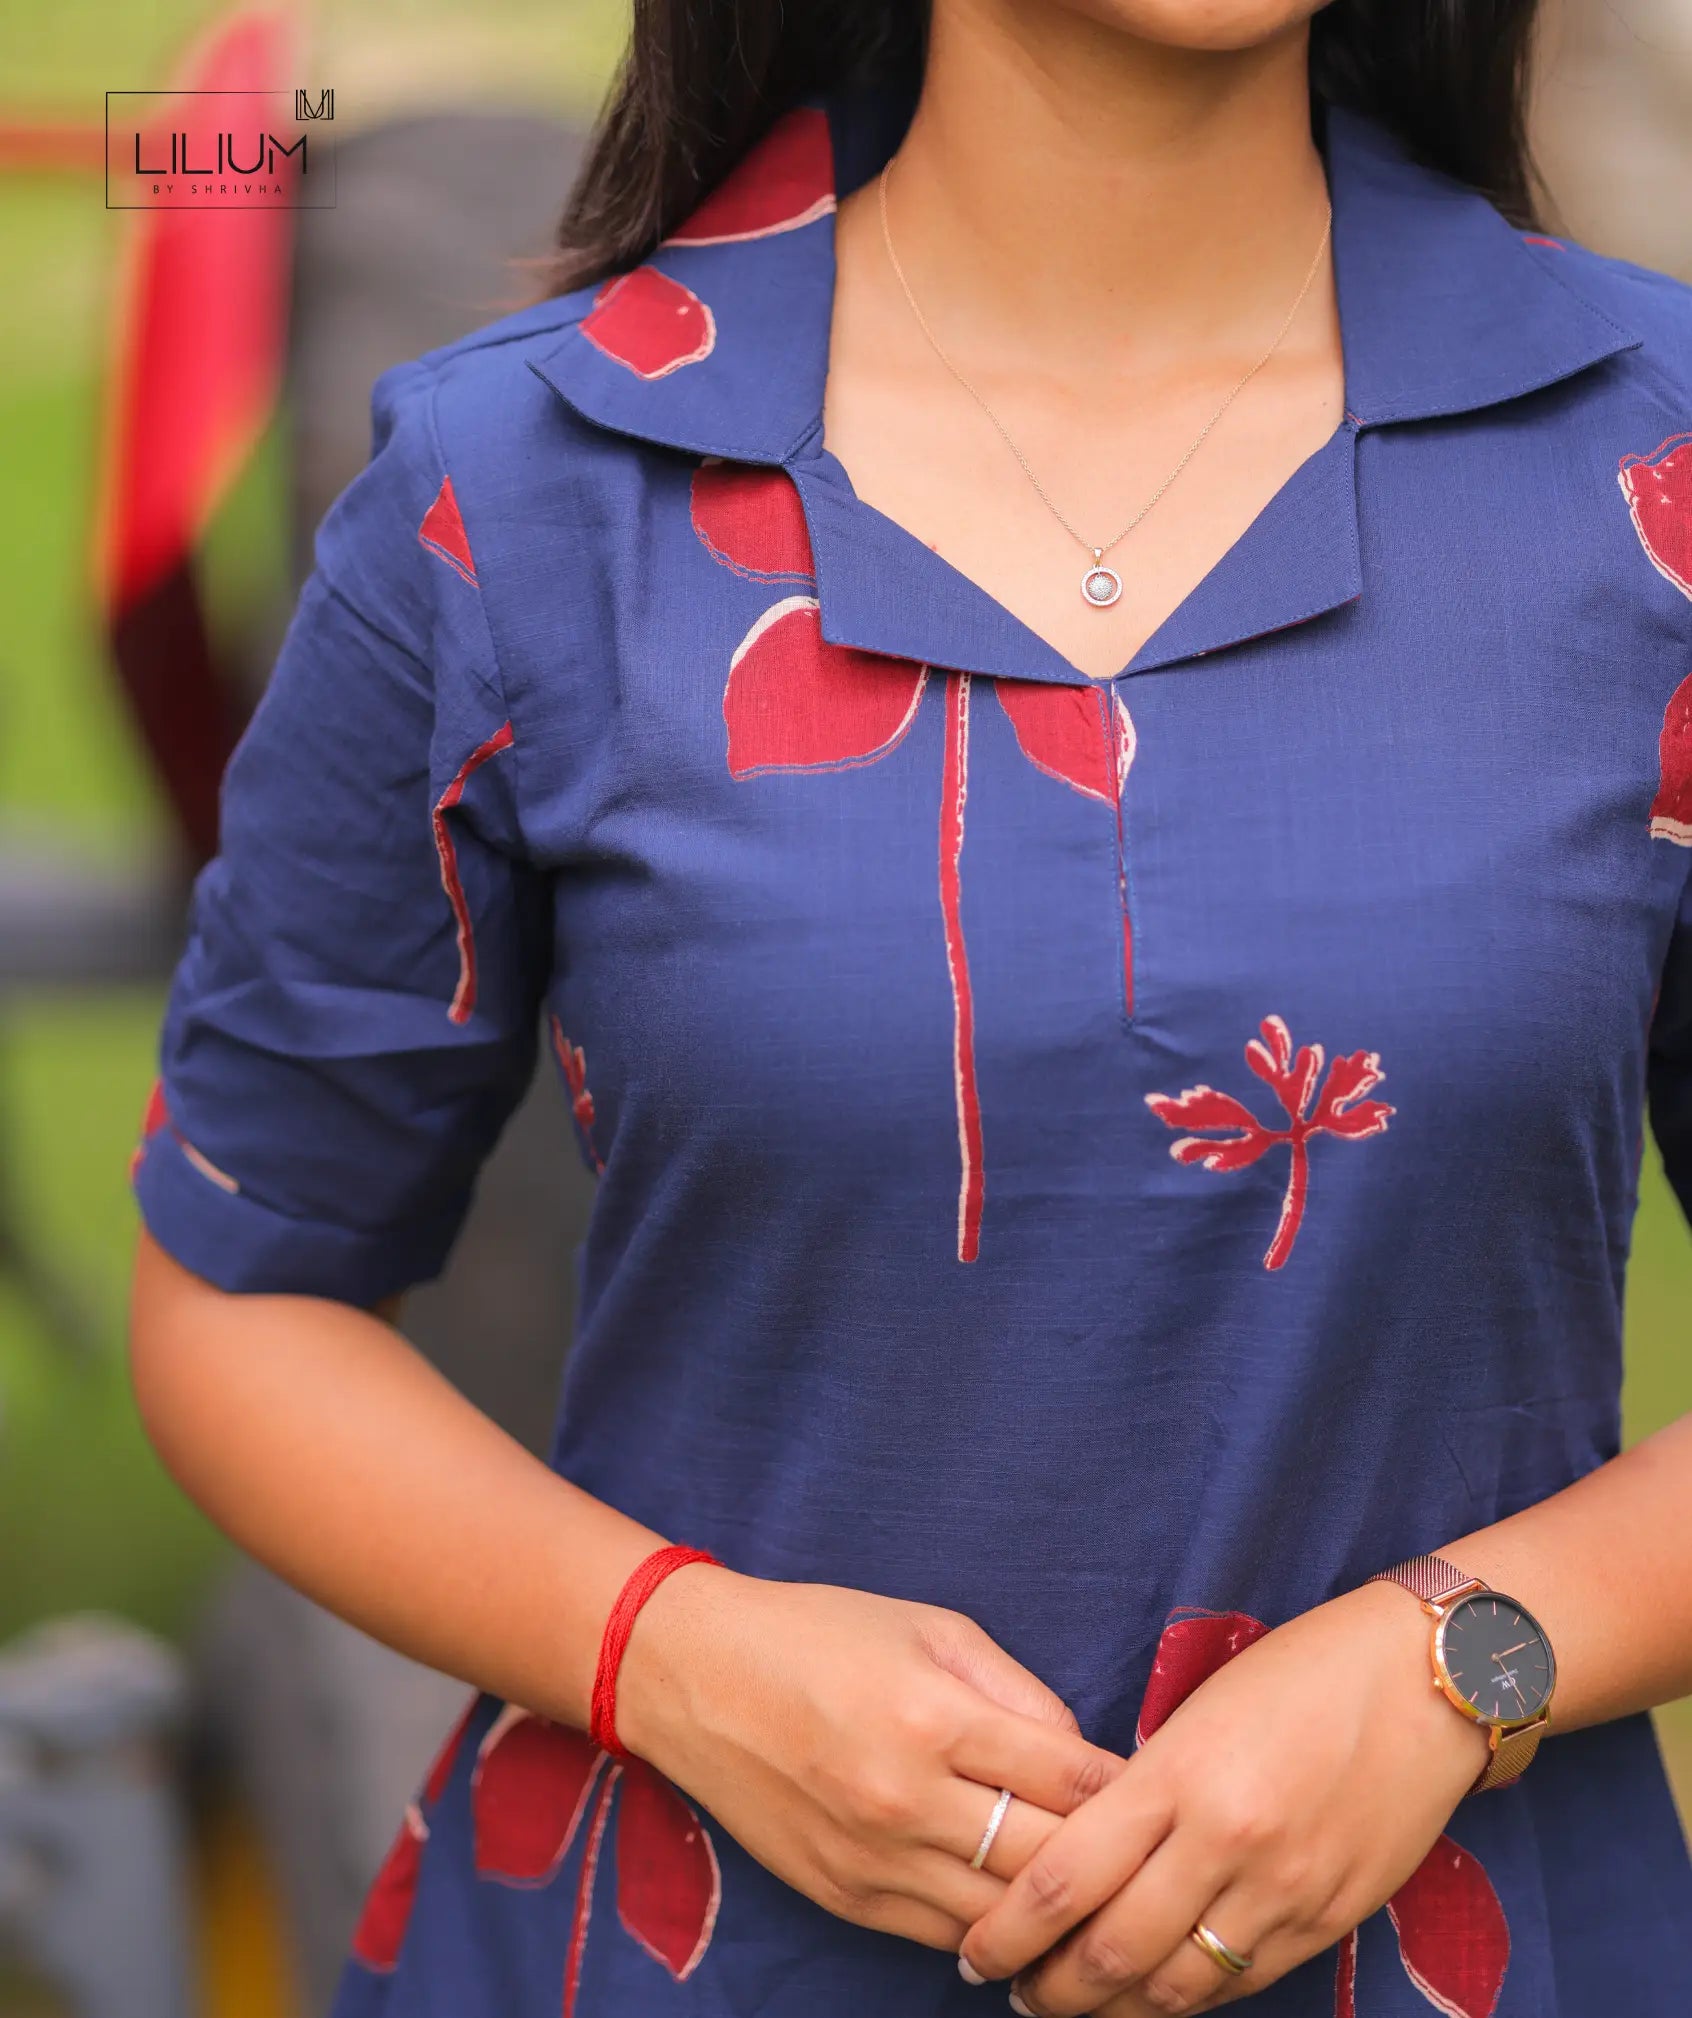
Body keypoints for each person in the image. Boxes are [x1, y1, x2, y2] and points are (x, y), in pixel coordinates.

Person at [126, 2, 1692, 2015]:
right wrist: (669, 1654)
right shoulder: (515, 486)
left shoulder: (1650, 468)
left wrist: (1465, 1658)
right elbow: (244, 1289)